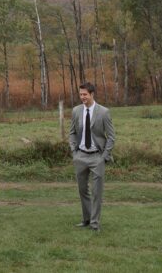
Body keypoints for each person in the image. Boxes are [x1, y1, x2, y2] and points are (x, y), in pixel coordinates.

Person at [68, 82, 115, 232]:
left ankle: (95, 224)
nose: (82, 97)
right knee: (82, 190)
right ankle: (87, 219)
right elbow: (72, 133)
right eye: (80, 94)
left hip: (97, 157)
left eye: (85, 95)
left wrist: (104, 157)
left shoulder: (103, 112)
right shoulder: (76, 111)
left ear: (92, 94)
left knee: (96, 192)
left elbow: (111, 137)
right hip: (80, 156)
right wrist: (74, 152)